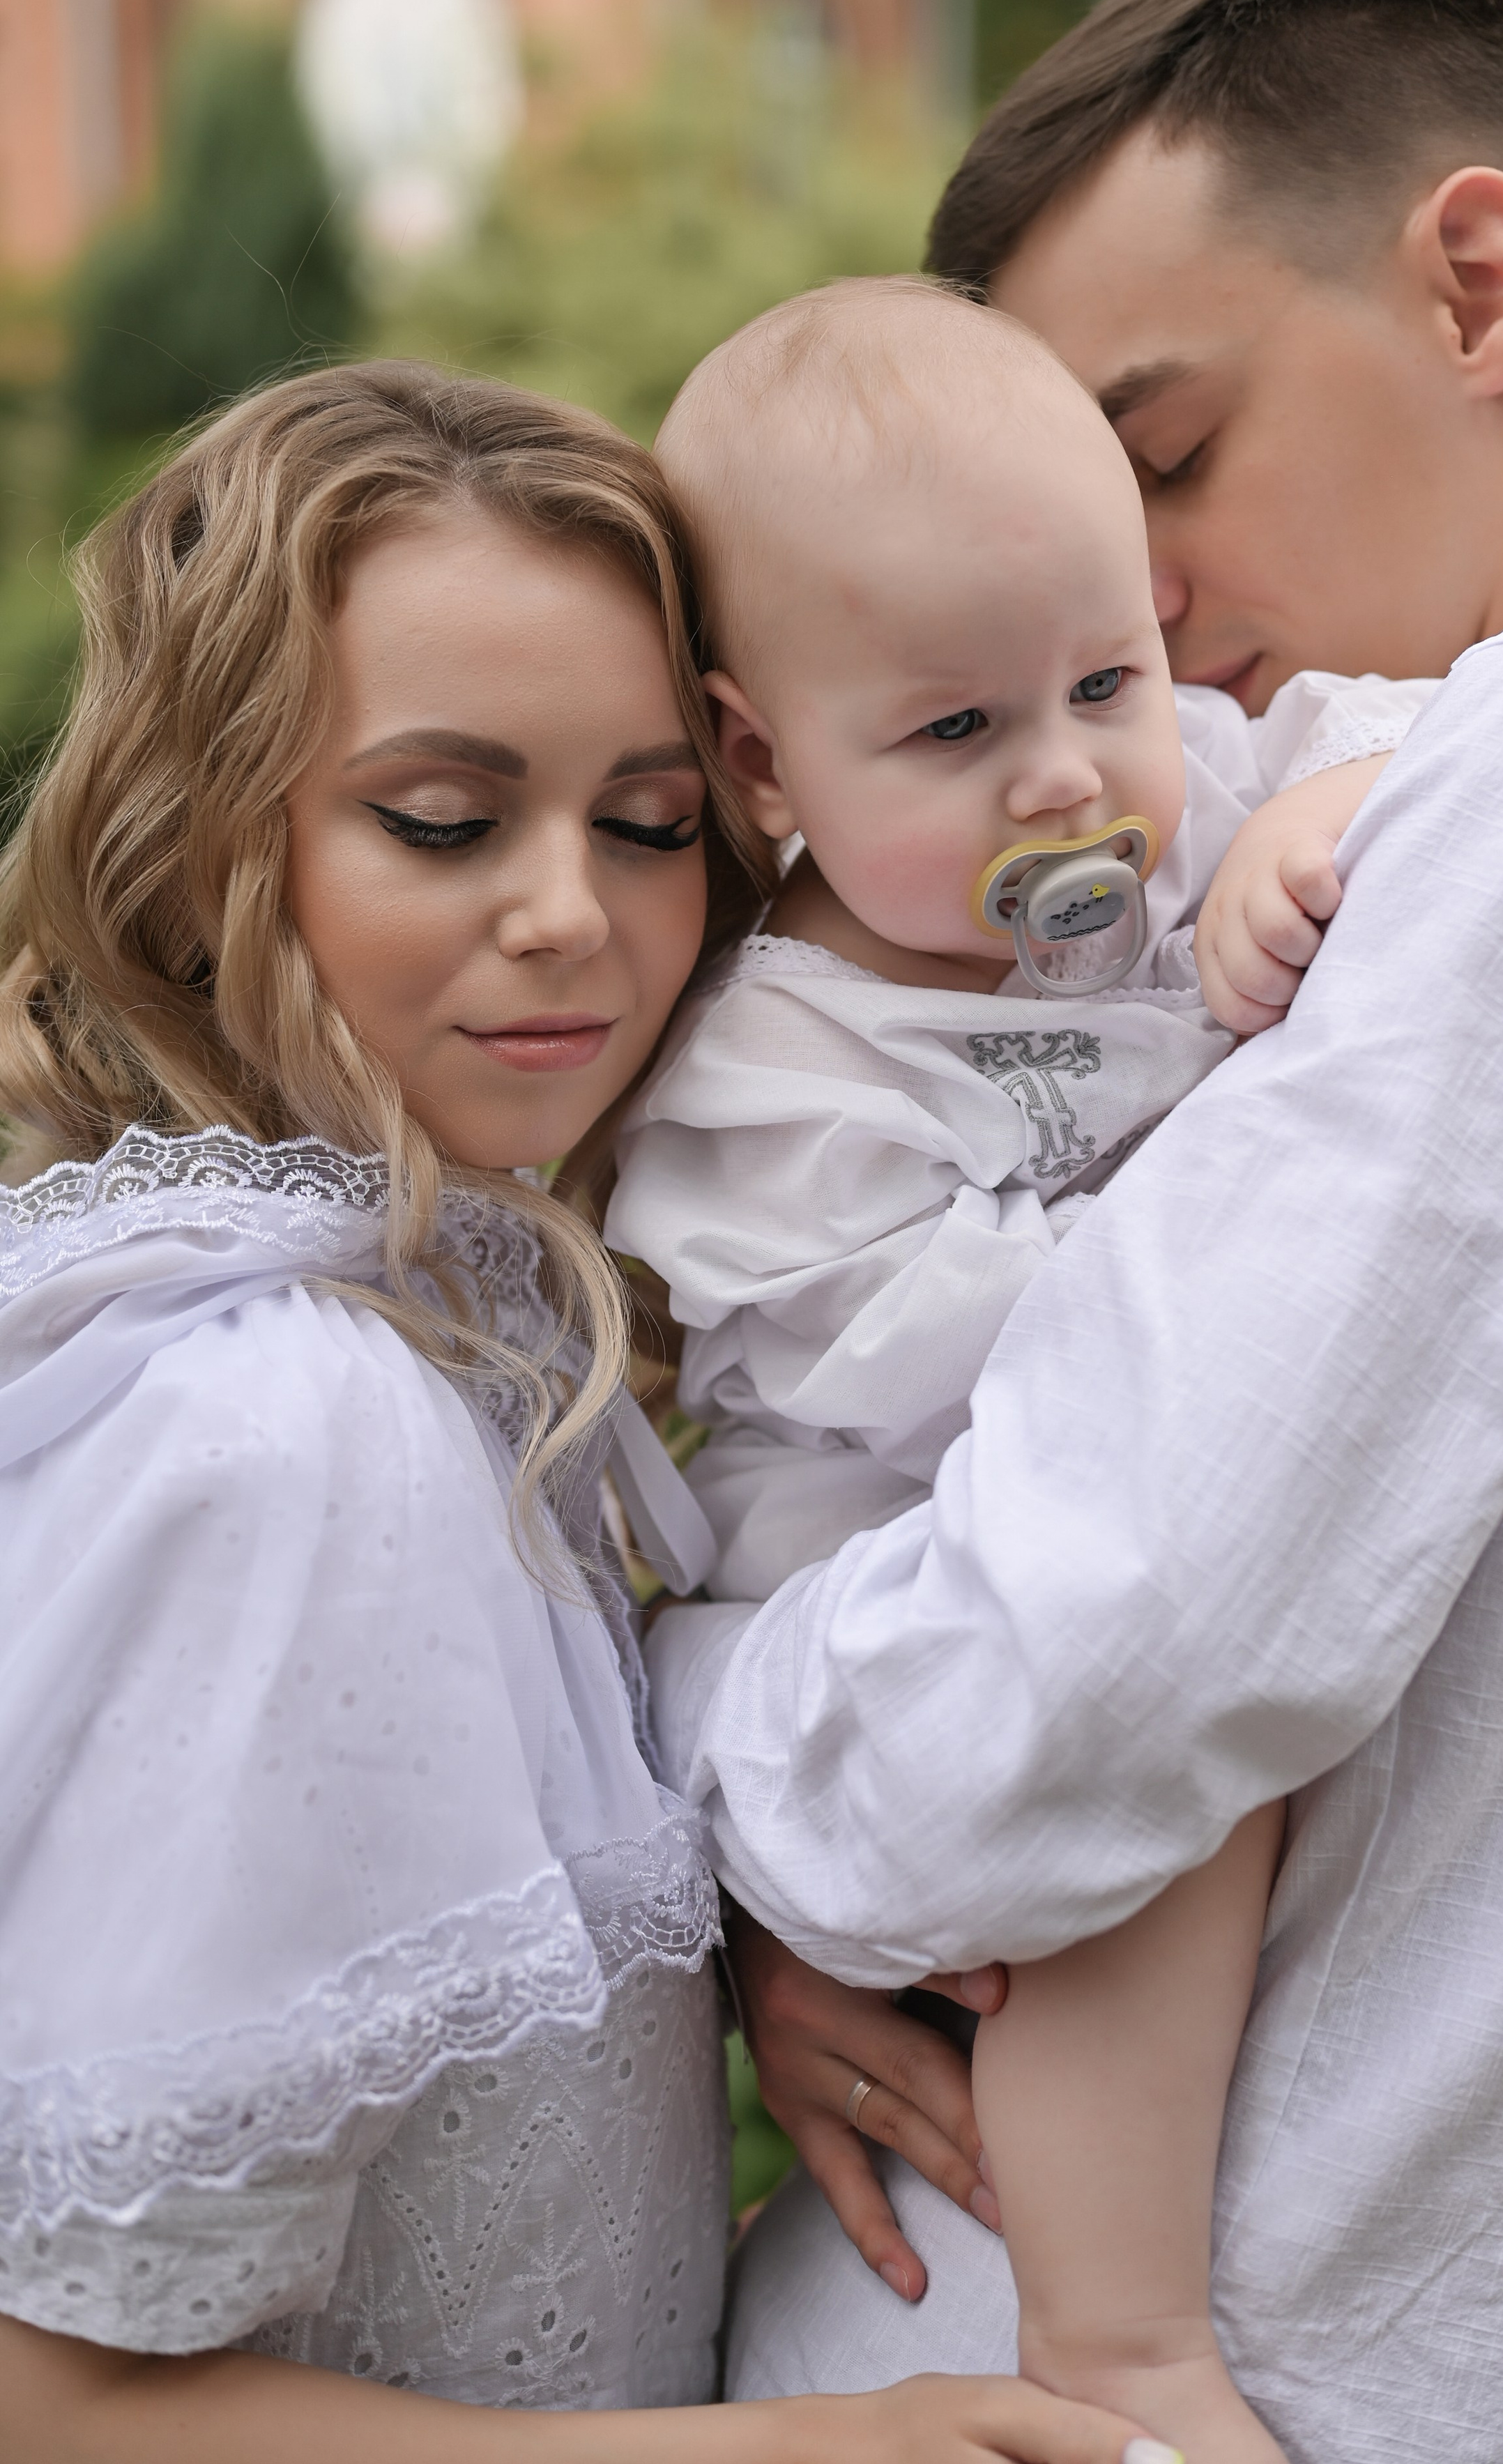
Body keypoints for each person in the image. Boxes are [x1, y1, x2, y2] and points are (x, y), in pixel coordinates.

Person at [657, 0, 1503, 2464]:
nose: (1130, 610)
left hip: (1153, 2372)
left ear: (1478, 284)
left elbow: (1071, 1690)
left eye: (1158, 457)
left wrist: (713, 1792)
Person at [0, 360, 1158, 2464]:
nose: (574, 913)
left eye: (646, 824)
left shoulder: (472, 1334)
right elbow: (53, 2397)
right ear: (198, 832)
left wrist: (728, 1956)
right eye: (442, 818)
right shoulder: (275, 1429)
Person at [606, 273, 1429, 2461]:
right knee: (1147, 1784)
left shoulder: (1169, 820)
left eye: (1107, 678)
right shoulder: (774, 1065)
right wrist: (1231, 1158)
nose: (1071, 773)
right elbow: (928, 1357)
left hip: (1110, 1490)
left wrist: (1288, 822)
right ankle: (1123, 2325)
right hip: (890, 1571)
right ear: (766, 755)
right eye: (958, 733)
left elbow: (1393, 726)